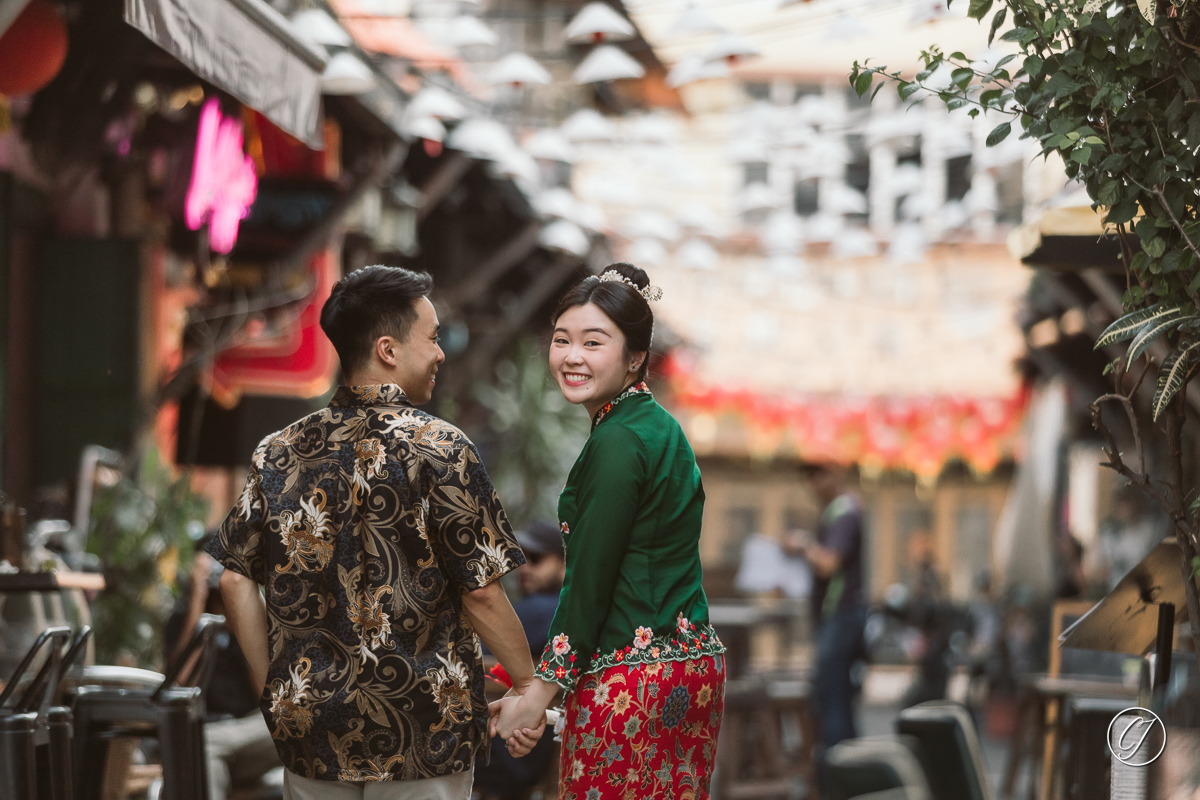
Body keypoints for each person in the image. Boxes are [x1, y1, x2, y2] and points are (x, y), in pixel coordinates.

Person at [208, 265, 541, 800]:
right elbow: (480, 591)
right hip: (425, 731)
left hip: (312, 731)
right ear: (388, 349)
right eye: (432, 338)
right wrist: (527, 685)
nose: (441, 353)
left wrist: (279, 689)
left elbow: (234, 581)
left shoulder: (279, 451)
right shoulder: (441, 447)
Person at [490, 264, 727, 800]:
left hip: (635, 679)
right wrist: (529, 689)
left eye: (593, 342)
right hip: (687, 665)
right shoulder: (658, 427)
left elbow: (590, 583)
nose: (572, 356)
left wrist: (537, 696)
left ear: (635, 356)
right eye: (562, 340)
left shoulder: (618, 441)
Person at [165, 546, 283, 800]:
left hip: (250, 729)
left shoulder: (249, 617)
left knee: (293, 722)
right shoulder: (182, 618)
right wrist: (197, 601)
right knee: (204, 749)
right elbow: (181, 682)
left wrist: (242, 620)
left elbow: (265, 693)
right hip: (207, 728)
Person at [473, 521, 566, 800]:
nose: (524, 568)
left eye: (536, 559)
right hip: (534, 756)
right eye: (521, 559)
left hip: (502, 751)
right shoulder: (564, 613)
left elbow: (475, 656)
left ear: (564, 563)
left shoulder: (541, 609)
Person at [786, 463, 867, 784]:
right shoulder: (835, 512)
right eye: (808, 474)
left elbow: (828, 563)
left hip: (841, 618)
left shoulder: (844, 512)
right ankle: (851, 776)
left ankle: (837, 778)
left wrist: (804, 545)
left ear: (836, 472)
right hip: (839, 619)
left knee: (833, 702)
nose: (812, 482)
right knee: (839, 701)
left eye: (818, 473)